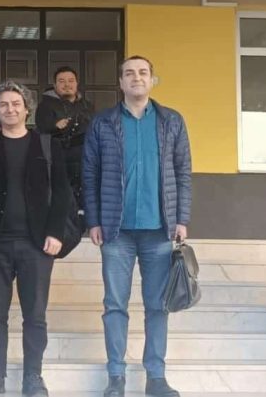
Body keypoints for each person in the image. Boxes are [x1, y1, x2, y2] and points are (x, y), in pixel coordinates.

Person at [82, 56, 192, 397]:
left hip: (159, 230)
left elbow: (183, 172)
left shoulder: (171, 121)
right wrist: (93, 220)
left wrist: (182, 218)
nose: (136, 78)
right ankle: (116, 375)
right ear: (120, 82)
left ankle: (156, 377)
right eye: (129, 73)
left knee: (157, 306)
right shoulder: (103, 123)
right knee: (115, 305)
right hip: (116, 232)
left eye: (143, 72)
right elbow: (90, 174)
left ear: (152, 80)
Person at [0, 80, 71, 397]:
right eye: (3, 105)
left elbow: (62, 194)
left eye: (15, 104)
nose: (9, 109)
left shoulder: (48, 146)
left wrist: (55, 232)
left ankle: (33, 377)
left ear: (27, 109)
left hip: (36, 245)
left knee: (35, 315)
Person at [35, 66, 94, 209]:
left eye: (71, 81)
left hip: (83, 160)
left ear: (77, 83)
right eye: (61, 81)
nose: (67, 85)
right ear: (55, 85)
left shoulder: (87, 106)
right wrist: (55, 126)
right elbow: (41, 129)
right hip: (57, 160)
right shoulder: (45, 105)